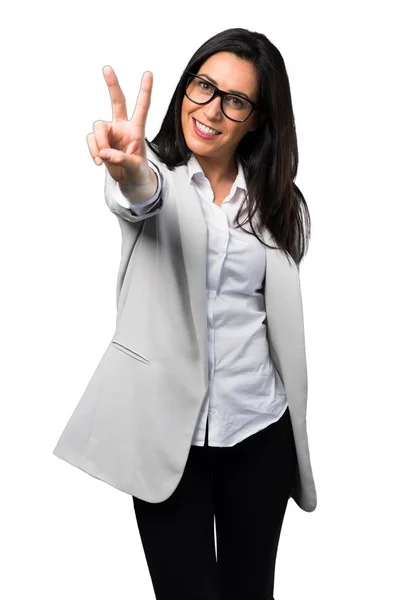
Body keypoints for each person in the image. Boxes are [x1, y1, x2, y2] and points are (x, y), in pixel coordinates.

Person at [53, 27, 317, 600]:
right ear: (186, 88)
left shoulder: (276, 202)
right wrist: (128, 170)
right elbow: (140, 196)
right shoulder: (154, 175)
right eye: (204, 86)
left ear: (257, 120)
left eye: (236, 100)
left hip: (258, 434)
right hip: (168, 442)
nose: (212, 110)